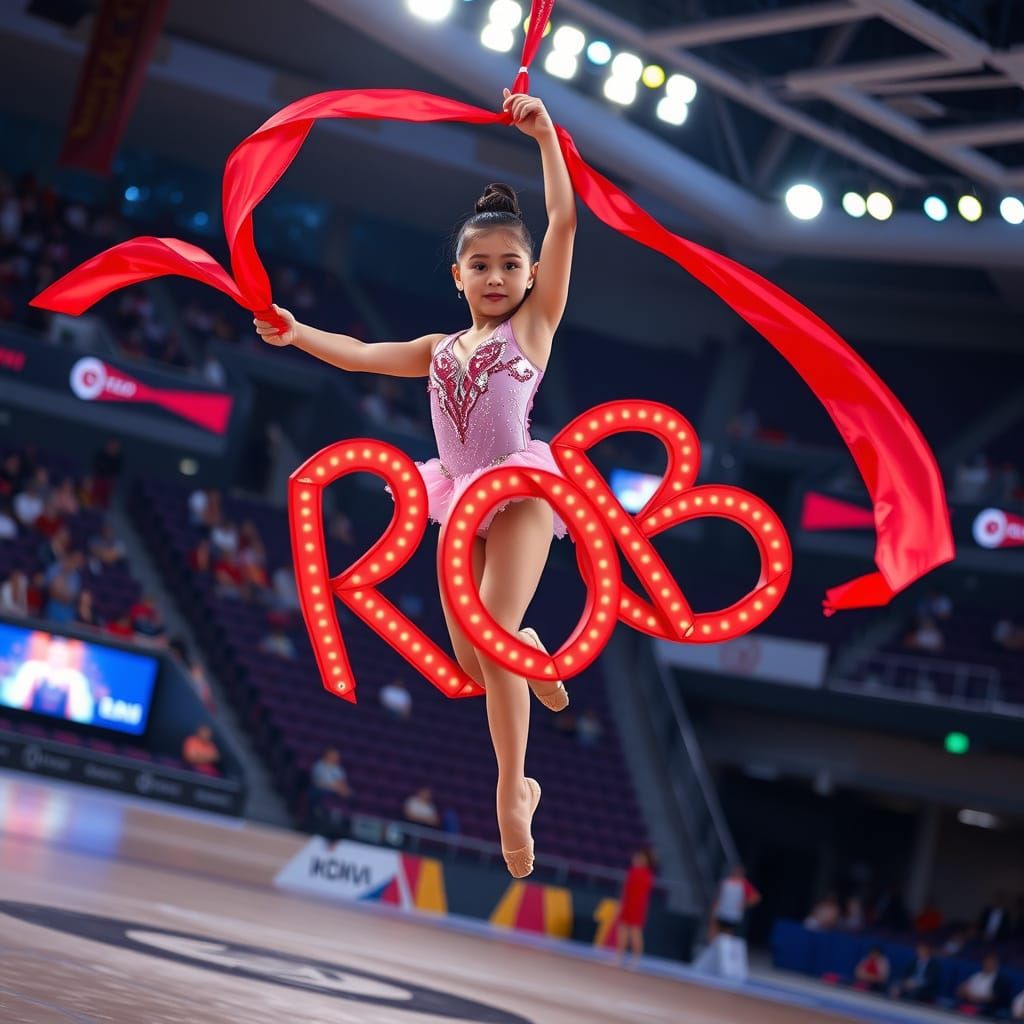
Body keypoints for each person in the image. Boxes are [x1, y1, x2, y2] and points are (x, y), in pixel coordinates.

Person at [254, 87, 577, 879]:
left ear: (533, 275)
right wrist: (296, 333)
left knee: (490, 634)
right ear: (457, 276)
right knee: (476, 662)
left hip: (524, 492)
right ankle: (530, 654)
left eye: (511, 264)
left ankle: (513, 791)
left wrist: (545, 139)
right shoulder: (437, 349)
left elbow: (566, 222)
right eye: (481, 265)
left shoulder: (532, 329)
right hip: (458, 497)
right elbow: (361, 354)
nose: (496, 275)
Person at [615, 850, 655, 967]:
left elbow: (641, 892)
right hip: (629, 904)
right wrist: (622, 904)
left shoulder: (646, 875)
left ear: (645, 861)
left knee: (634, 931)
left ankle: (636, 958)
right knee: (623, 929)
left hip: (637, 906)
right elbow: (626, 890)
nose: (636, 860)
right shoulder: (634, 872)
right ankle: (619, 955)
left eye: (639, 858)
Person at [709, 863, 761, 939]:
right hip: (721, 911)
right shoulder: (726, 882)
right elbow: (719, 897)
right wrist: (714, 909)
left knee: (726, 934)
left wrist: (744, 904)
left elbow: (756, 897)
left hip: (732, 914)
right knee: (713, 930)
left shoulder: (744, 884)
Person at [956, 951, 1011, 1017]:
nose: (987, 964)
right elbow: (960, 989)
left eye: (991, 963)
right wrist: (963, 991)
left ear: (997, 965)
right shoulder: (977, 976)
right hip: (967, 1003)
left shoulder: (1001, 980)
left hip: (985, 1008)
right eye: (986, 962)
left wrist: (976, 999)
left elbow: (996, 997)